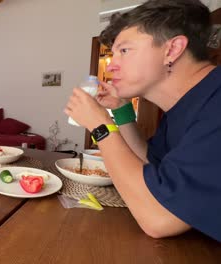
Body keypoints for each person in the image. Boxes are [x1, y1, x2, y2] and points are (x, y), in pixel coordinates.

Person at [65, 0, 221, 242]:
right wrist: (122, 112)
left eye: (124, 51)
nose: (112, 65)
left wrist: (100, 126)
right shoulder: (184, 107)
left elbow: (159, 217)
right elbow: (151, 165)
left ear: (172, 49)